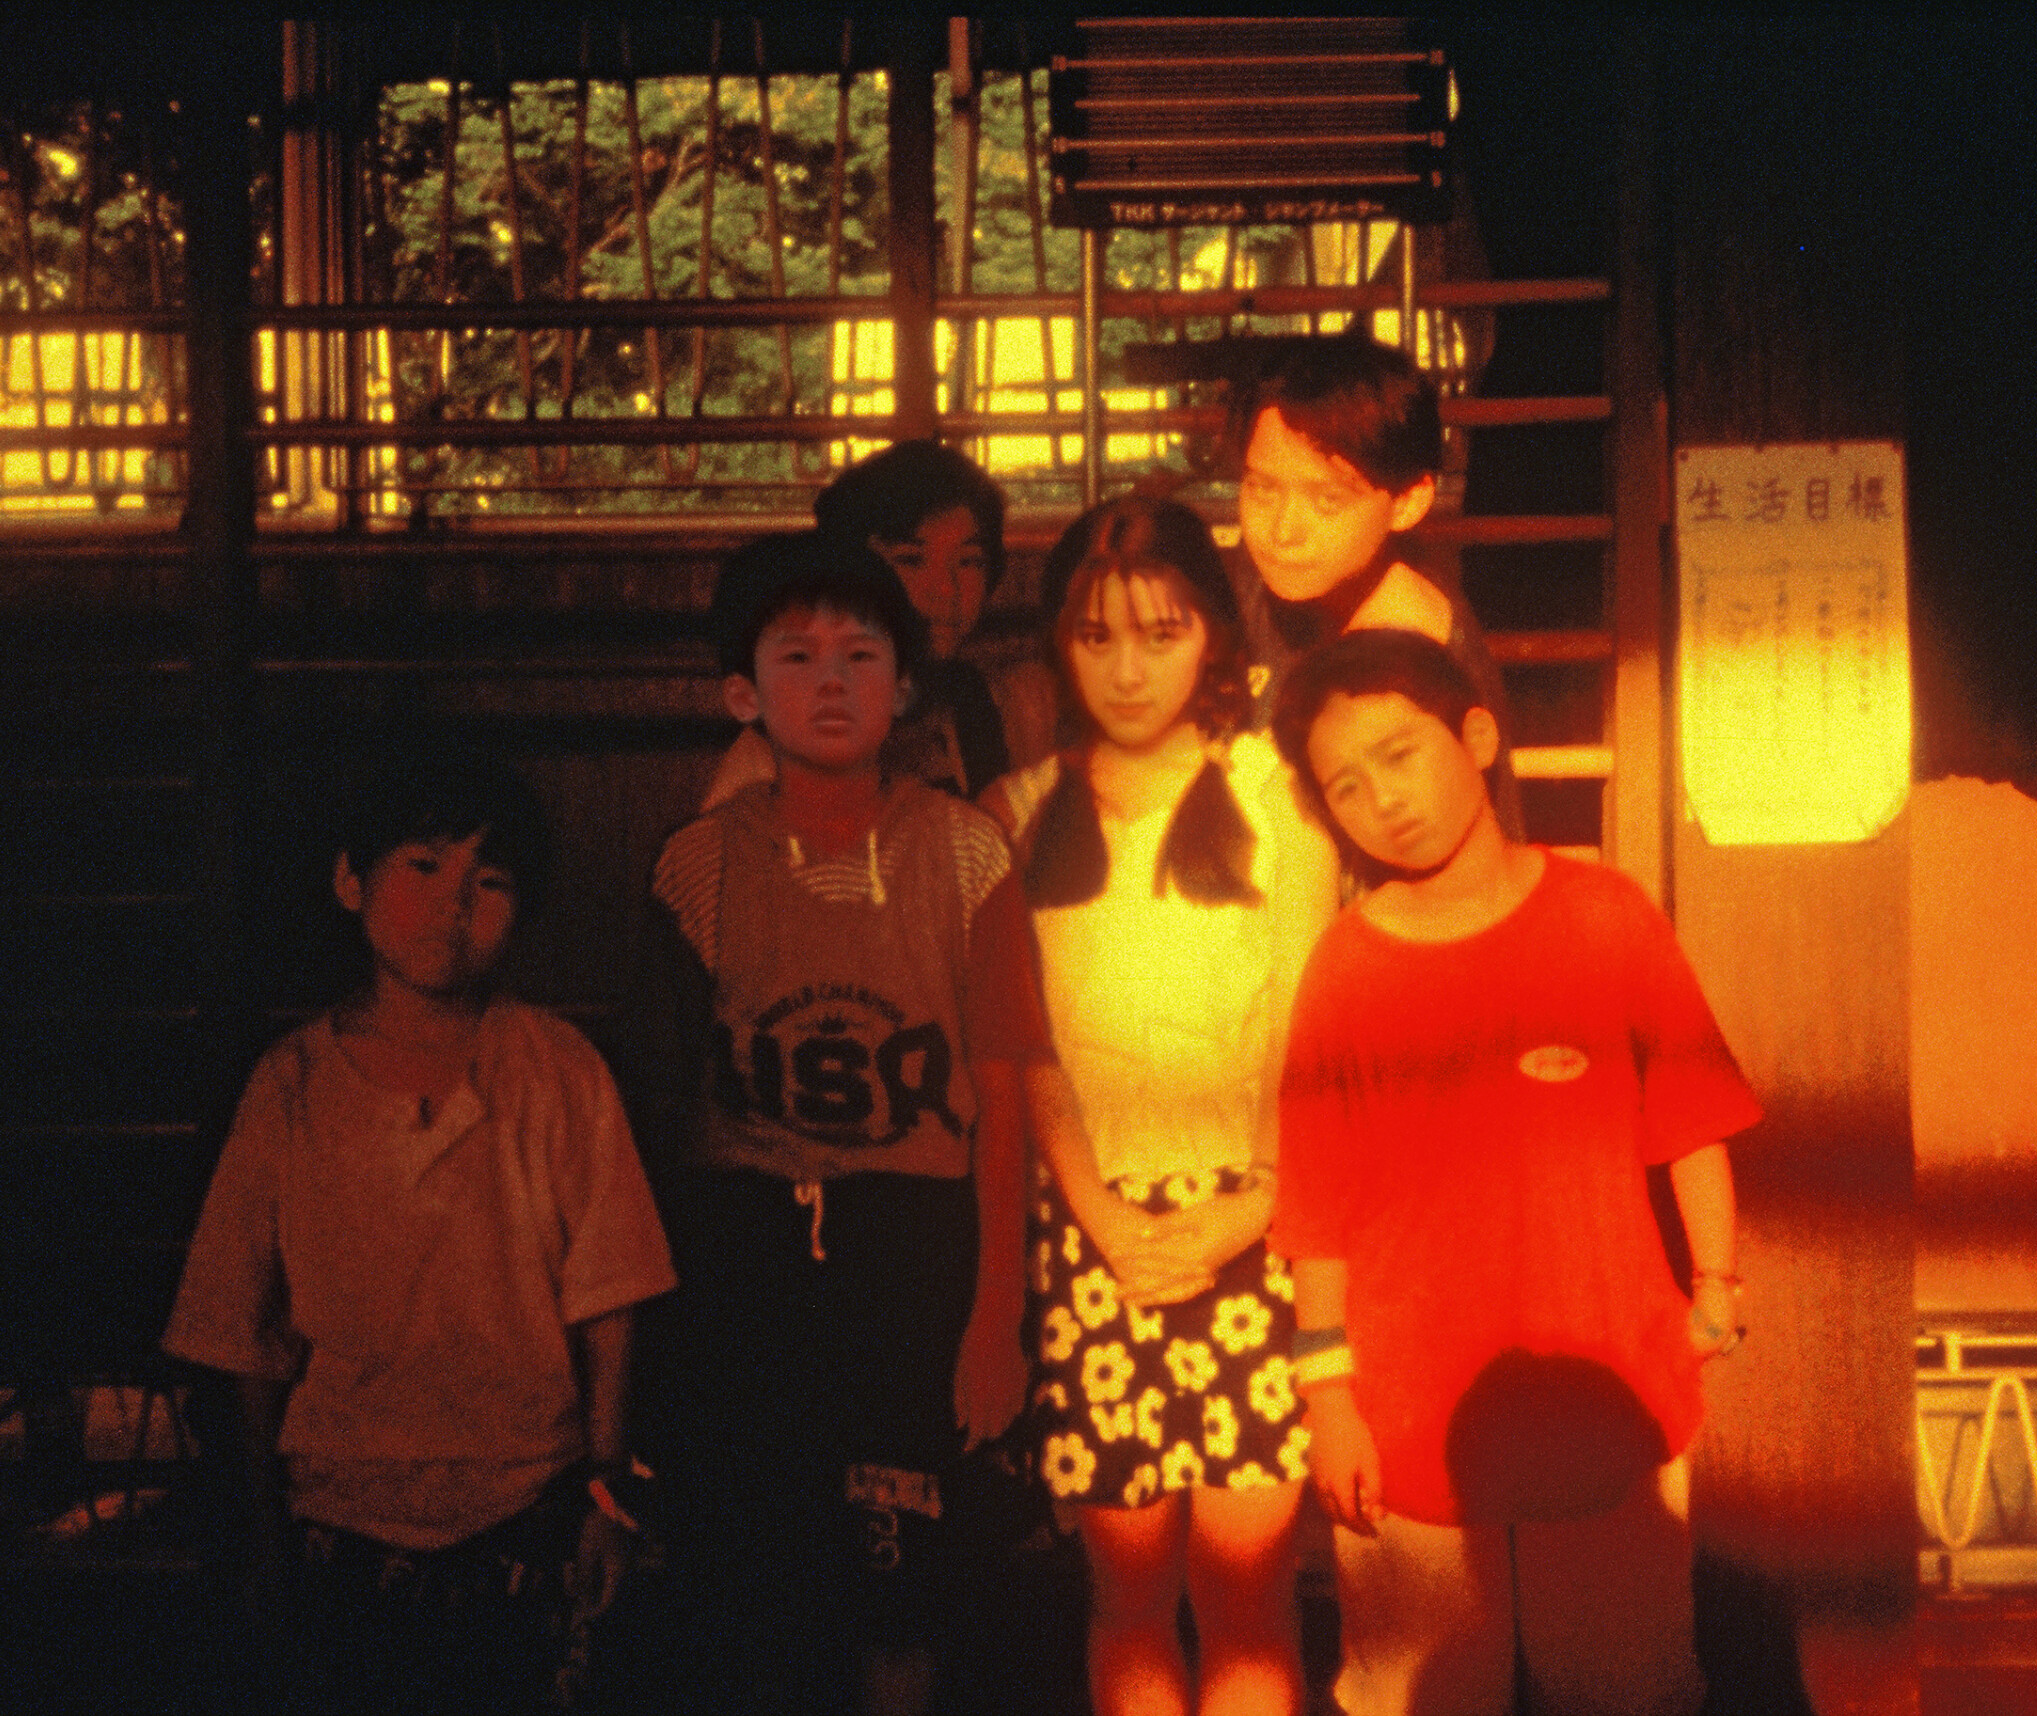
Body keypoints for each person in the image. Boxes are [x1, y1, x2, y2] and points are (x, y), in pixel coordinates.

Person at [1267, 629, 1761, 1716]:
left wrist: (1715, 1287)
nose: (1382, 799)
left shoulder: (1606, 914)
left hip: (1608, 1391)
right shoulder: (1343, 966)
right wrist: (1328, 1398)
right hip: (1407, 1412)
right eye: (1345, 785)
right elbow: (1315, 1211)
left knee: (1625, 1691)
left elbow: (1692, 1123)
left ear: (1479, 737)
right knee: (1423, 1694)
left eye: (1400, 755)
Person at [163, 747, 676, 1715]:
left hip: (527, 1508)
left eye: (491, 882)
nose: (453, 905)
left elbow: (612, 1300)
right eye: (425, 866)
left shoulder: (560, 1071)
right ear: (350, 880)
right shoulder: (290, 1087)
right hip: (339, 1519)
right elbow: (241, 1334)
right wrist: (261, 1537)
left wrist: (607, 1497)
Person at [641, 530, 1045, 1715]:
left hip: (912, 1251)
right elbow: (658, 1104)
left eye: (861, 655)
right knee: (754, 1578)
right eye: (797, 655)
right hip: (743, 1252)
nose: (831, 681)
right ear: (742, 693)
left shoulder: (966, 852)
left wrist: (995, 1314)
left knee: (902, 1583)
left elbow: (1005, 1095)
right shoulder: (697, 866)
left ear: (905, 687)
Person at [980, 498, 1339, 1716]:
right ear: (1057, 645)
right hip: (1090, 1241)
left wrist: (1254, 1207)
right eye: (1096, 638)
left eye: (1160, 634)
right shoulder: (1014, 814)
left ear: (1213, 638)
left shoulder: (1278, 797)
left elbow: (1306, 1029)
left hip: (1258, 1232)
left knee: (1249, 1595)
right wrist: (1101, 1217)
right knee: (1126, 1596)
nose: (1127, 670)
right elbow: (1026, 1049)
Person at [1224, 335, 1525, 841]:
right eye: (1262, 488)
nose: (1283, 531)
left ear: (1408, 502)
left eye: (1326, 500)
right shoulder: (1231, 589)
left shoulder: (1432, 654)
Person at [701, 439, 1054, 810]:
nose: (946, 590)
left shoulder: (993, 703)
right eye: (911, 560)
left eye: (968, 562)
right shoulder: (782, 742)